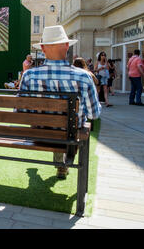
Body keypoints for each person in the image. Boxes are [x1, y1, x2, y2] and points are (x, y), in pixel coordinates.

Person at [19, 25, 101, 179]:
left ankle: (60, 164)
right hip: (70, 136)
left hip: (39, 133)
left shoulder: (29, 75)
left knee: (57, 123)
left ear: (43, 48)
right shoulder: (84, 77)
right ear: (66, 46)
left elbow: (20, 112)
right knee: (69, 125)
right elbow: (94, 114)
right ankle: (63, 164)